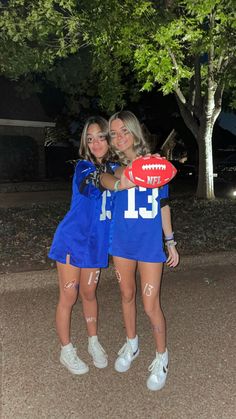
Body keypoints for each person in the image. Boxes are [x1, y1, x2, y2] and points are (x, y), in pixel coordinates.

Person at [100, 110, 179, 391]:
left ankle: (162, 356)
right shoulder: (110, 167)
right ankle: (132, 343)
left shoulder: (158, 165)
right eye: (113, 133)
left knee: (150, 304)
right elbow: (111, 181)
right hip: (121, 243)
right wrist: (129, 174)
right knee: (126, 294)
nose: (119, 137)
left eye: (124, 131)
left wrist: (170, 241)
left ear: (134, 131)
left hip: (148, 245)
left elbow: (164, 206)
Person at [48, 116, 118, 375]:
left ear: (109, 139)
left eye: (101, 136)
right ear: (85, 144)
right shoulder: (83, 168)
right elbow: (95, 185)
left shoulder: (116, 167)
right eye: (90, 139)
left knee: (89, 294)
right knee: (69, 295)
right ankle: (66, 350)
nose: (96, 142)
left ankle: (93, 341)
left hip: (96, 246)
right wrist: (117, 182)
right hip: (71, 241)